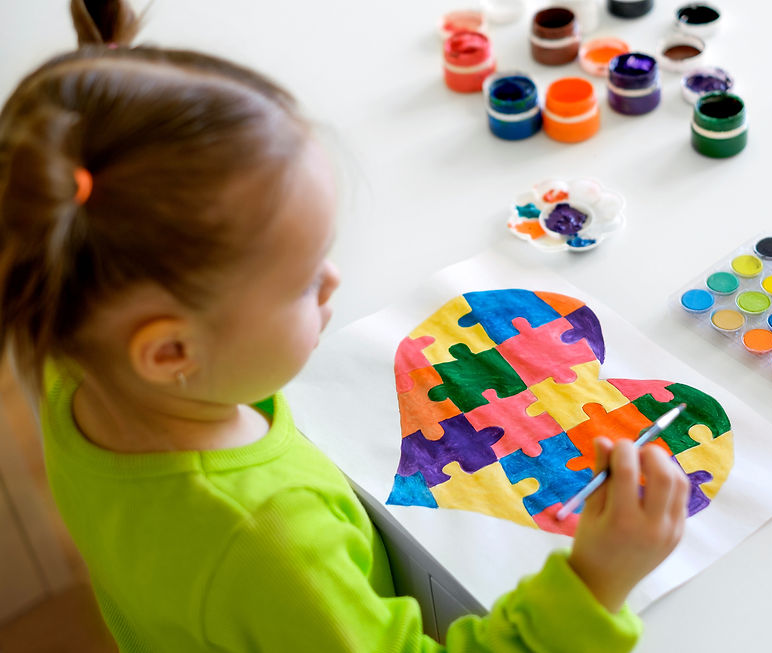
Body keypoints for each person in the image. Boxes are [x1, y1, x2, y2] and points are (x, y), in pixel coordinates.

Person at [0, 1, 690, 650]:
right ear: (171, 349)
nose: (333, 280)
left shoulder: (77, 352)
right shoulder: (273, 540)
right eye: (303, 280)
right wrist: (595, 582)